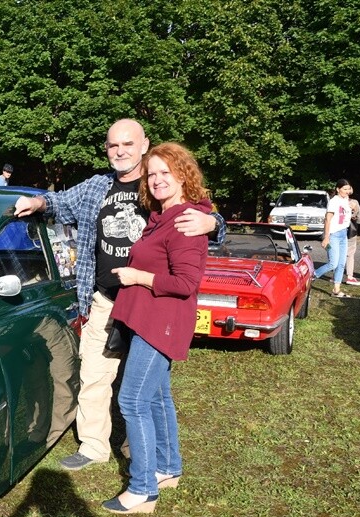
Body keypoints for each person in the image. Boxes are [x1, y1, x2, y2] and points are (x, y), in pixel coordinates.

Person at [13, 118, 222, 472]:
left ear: (144, 144)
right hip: (105, 298)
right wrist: (36, 202)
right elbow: (59, 202)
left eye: (128, 144)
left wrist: (215, 222)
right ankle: (94, 445)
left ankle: (136, 446)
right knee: (95, 372)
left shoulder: (158, 181)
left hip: (151, 303)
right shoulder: (97, 187)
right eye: (113, 145)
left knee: (146, 384)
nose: (120, 151)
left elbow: (198, 212)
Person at [101, 142, 210, 514]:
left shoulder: (184, 221)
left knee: (132, 401)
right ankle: (167, 468)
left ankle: (143, 489)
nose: (159, 179)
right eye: (153, 174)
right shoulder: (162, 216)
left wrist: (138, 276)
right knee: (158, 397)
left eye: (167, 172)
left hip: (160, 324)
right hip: (146, 320)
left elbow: (186, 283)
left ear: (183, 176)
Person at [313, 179, 353, 298]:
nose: (347, 191)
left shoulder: (346, 199)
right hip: (333, 235)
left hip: (343, 234)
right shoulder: (334, 201)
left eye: (348, 189)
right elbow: (328, 220)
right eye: (344, 189)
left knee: (341, 264)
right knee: (333, 263)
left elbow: (350, 192)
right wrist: (326, 238)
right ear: (338, 189)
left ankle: (336, 290)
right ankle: (312, 275)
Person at [345, 186, 360, 286]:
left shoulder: (334, 201)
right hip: (350, 232)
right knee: (350, 254)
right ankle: (350, 276)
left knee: (338, 253)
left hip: (336, 231)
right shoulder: (354, 202)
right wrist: (354, 212)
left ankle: (335, 276)